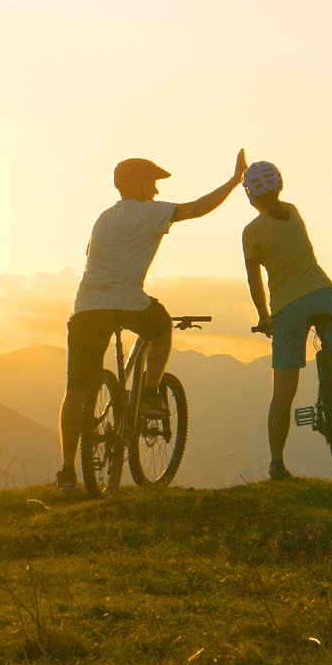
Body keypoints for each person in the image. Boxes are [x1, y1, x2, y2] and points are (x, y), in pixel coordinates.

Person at [57, 150, 247, 497]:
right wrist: (234, 182)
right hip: (127, 301)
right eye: (153, 183)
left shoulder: (103, 218)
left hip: (85, 307)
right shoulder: (146, 212)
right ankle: (152, 393)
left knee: (76, 391)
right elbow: (197, 208)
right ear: (136, 184)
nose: (157, 191)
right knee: (160, 326)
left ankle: (68, 472)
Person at [241, 161, 332, 482]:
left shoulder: (250, 231)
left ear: (249, 194)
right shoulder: (293, 211)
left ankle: (276, 463)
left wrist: (264, 316)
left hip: (285, 309)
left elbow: (254, 281)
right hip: (323, 295)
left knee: (283, 393)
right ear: (280, 185)